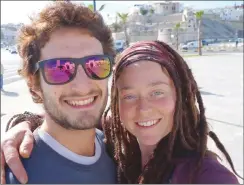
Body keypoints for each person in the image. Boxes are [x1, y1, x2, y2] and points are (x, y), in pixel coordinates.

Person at [1, 40, 242, 184]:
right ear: (116, 105)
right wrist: (24, 125)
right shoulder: (115, 142)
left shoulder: (208, 177)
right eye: (128, 95)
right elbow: (66, 122)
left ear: (181, 95)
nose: (143, 109)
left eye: (157, 92)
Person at [1, 1, 117, 184]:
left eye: (96, 64)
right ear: (34, 83)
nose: (82, 87)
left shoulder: (118, 151)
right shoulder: (15, 176)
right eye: (59, 68)